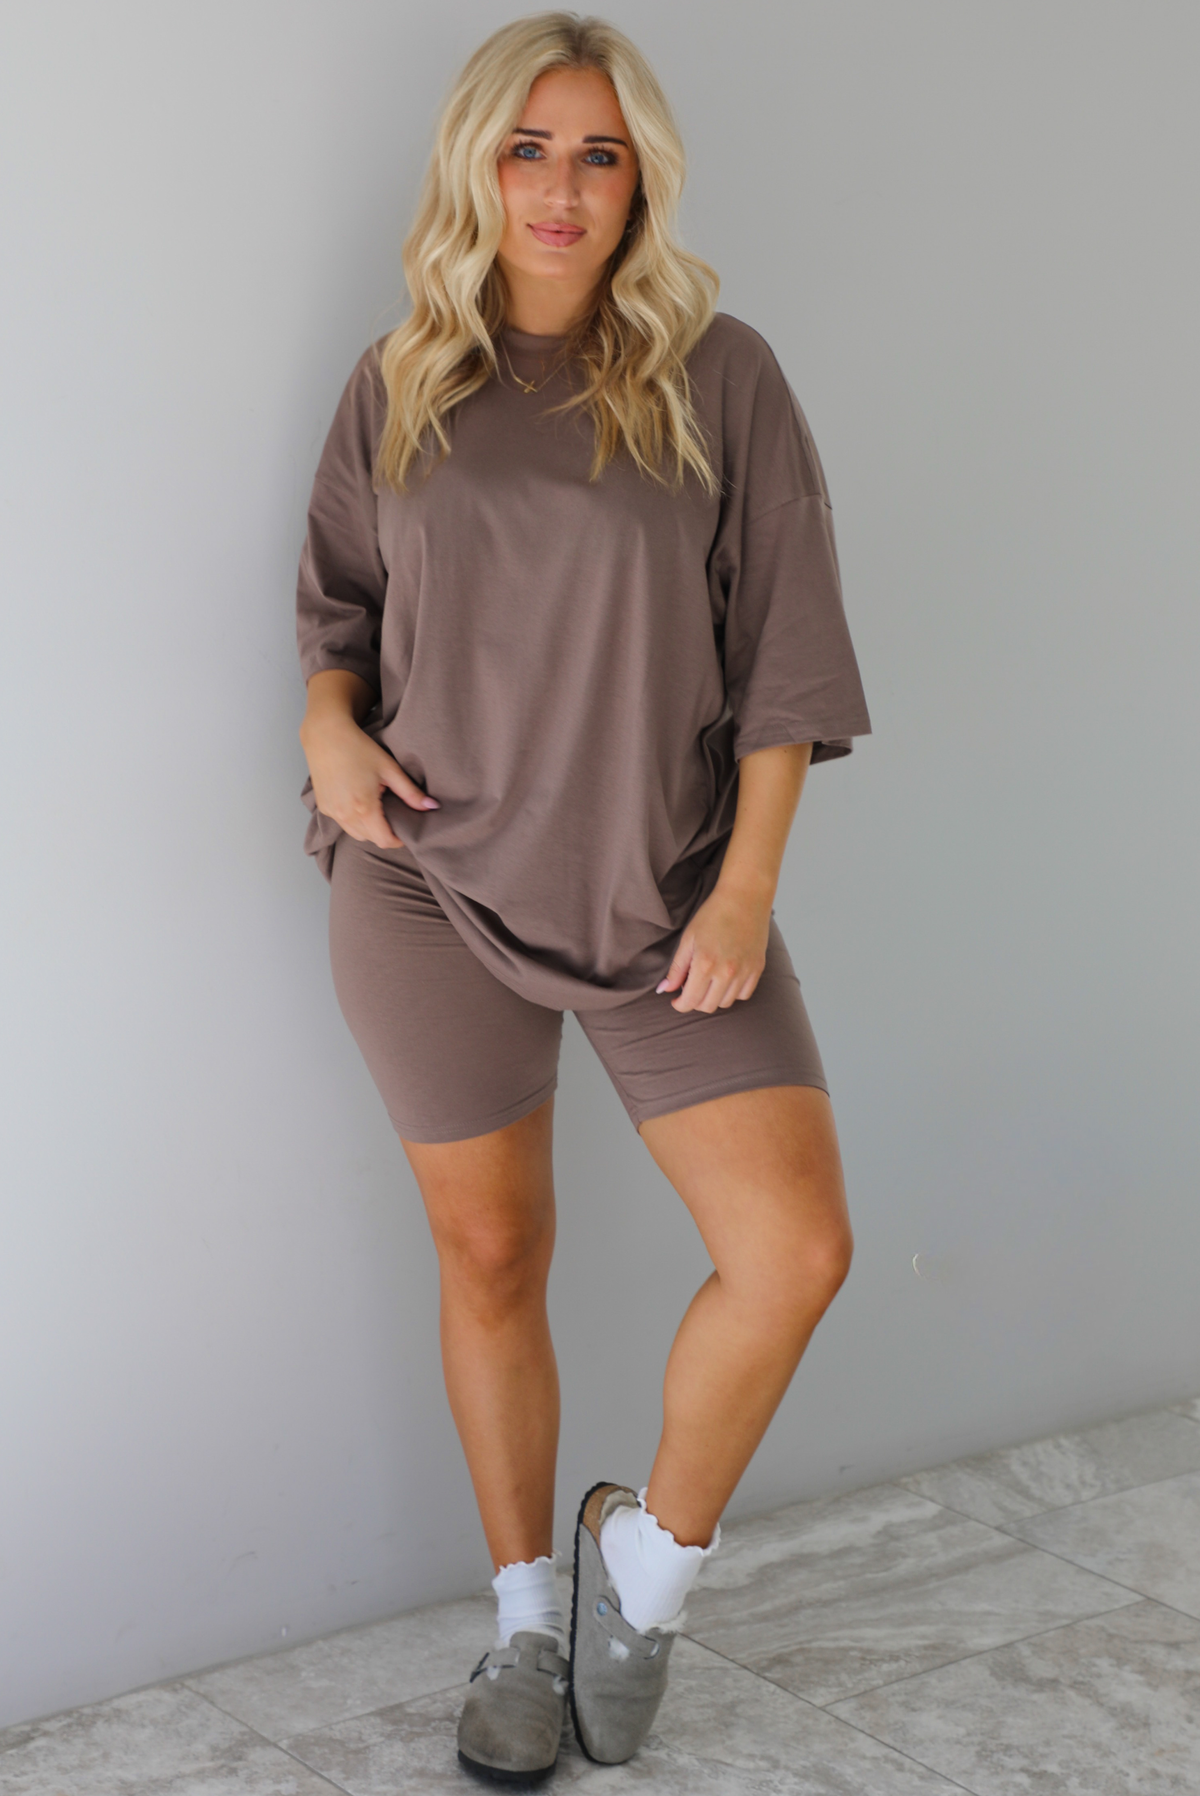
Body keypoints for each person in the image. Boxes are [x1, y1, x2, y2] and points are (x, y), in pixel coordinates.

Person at [295, 10, 871, 1782]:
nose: (560, 187)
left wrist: (743, 892)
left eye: (597, 154)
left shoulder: (723, 375)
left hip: (667, 894)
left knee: (792, 1252)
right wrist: (327, 733)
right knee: (493, 1253)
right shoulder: (402, 377)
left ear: (641, 182)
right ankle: (526, 1619)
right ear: (478, 169)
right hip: (424, 886)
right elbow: (335, 619)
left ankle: (648, 1568)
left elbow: (787, 665)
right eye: (528, 150)